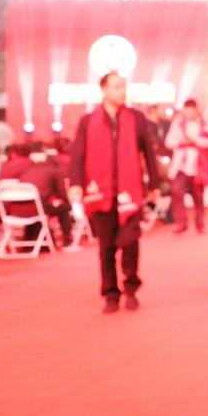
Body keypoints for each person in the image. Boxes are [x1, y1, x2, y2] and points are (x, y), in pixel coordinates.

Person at [68, 72, 161, 314]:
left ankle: (131, 287)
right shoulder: (88, 121)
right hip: (100, 192)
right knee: (106, 248)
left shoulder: (136, 119)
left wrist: (155, 185)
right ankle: (111, 293)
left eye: (123, 86)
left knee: (130, 242)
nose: (122, 91)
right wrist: (76, 183)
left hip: (131, 192)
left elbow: (149, 153)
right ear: (104, 90)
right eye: (116, 87)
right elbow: (78, 155)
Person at [164, 99, 208, 235]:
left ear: (196, 110)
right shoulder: (178, 123)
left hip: (199, 167)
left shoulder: (207, 123)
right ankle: (181, 223)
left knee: (198, 197)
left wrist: (196, 141)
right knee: (177, 192)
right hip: (181, 167)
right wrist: (181, 142)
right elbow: (169, 142)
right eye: (186, 111)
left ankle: (200, 224)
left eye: (190, 111)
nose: (187, 114)